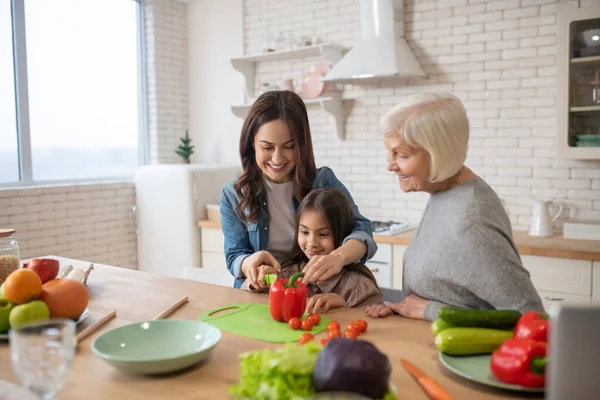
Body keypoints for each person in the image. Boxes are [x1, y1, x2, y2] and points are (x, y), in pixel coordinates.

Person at [365, 92, 544, 322]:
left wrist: (432, 311)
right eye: (389, 152)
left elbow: (531, 317)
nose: (390, 165)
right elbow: (448, 290)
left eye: (401, 154)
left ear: (437, 153)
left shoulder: (473, 220)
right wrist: (404, 308)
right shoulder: (445, 193)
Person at [221, 90, 377, 289]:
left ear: (302, 144)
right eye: (267, 148)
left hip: (312, 292)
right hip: (259, 294)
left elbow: (363, 232)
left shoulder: (322, 181)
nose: (277, 159)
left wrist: (338, 257)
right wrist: (249, 264)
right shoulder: (234, 193)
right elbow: (234, 256)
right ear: (252, 143)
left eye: (289, 146)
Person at [241, 188, 383, 313]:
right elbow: (246, 296)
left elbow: (379, 330)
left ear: (342, 234)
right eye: (304, 232)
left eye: (323, 234)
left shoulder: (359, 287)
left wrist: (344, 308)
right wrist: (257, 283)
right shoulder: (286, 274)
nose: (312, 243)